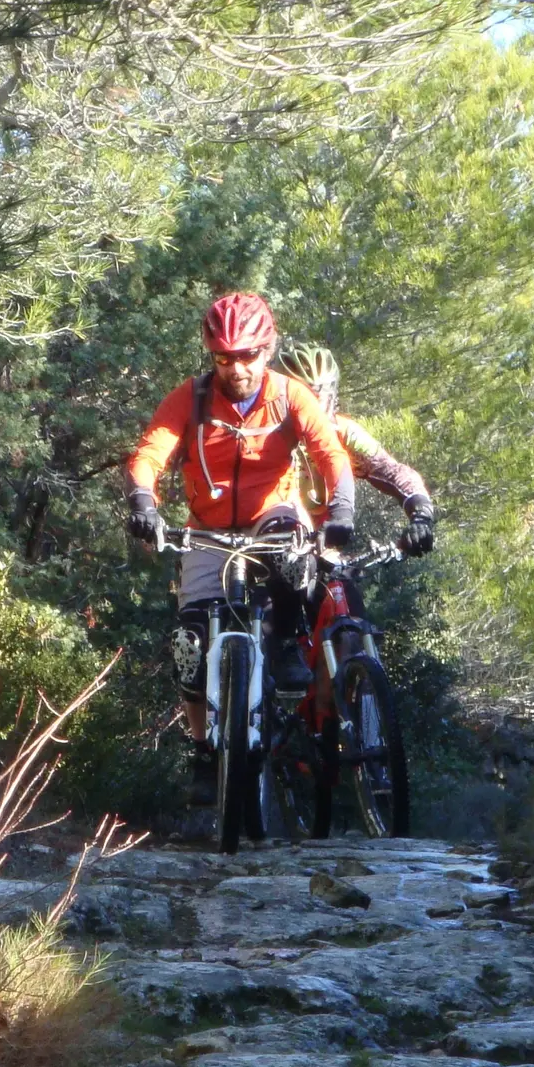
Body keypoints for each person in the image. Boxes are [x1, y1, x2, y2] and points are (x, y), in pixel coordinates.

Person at [124, 293, 356, 806]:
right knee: (189, 643)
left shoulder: (292, 396)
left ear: (267, 350)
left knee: (288, 555)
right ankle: (206, 751)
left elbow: (331, 454)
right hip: (207, 528)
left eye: (248, 355)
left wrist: (341, 510)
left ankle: (290, 648)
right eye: (224, 358)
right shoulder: (191, 398)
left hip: (270, 515)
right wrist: (143, 500)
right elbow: (150, 453)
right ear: (212, 356)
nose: (237, 368)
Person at [273, 340, 435, 558]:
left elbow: (392, 471)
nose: (315, 409)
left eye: (323, 397)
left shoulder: (342, 432)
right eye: (306, 398)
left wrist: (421, 516)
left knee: (344, 591)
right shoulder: (264, 436)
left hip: (323, 547)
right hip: (269, 544)